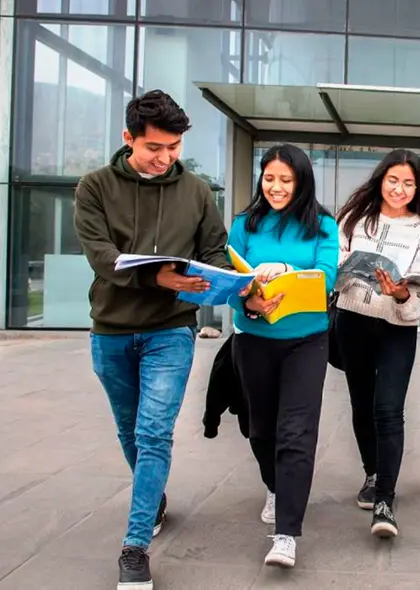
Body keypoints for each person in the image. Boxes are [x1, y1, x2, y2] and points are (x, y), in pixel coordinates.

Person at [74, 89, 232, 590]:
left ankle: (135, 545)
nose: (165, 159)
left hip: (171, 330)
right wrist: (153, 277)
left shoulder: (198, 192)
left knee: (153, 433)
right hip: (112, 331)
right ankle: (154, 494)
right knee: (129, 432)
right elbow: (101, 255)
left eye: (174, 148)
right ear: (129, 139)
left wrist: (228, 282)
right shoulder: (94, 186)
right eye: (155, 148)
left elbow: (215, 250)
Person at [227, 143, 339, 568]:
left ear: (302, 182)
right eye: (269, 178)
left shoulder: (323, 226)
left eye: (285, 180)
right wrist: (248, 302)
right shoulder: (244, 223)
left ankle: (287, 533)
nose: (275, 187)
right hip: (253, 339)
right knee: (260, 431)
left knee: (296, 432)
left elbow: (328, 278)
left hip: (306, 341)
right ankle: (274, 487)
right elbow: (230, 279)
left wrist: (288, 273)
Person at [333, 149, 420, 538]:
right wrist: (346, 273)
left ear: (418, 188)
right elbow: (335, 270)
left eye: (409, 183)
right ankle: (373, 473)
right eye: (393, 180)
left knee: (388, 409)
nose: (400, 188)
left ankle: (385, 500)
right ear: (381, 179)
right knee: (361, 405)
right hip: (352, 322)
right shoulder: (353, 219)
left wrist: (398, 293)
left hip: (396, 328)